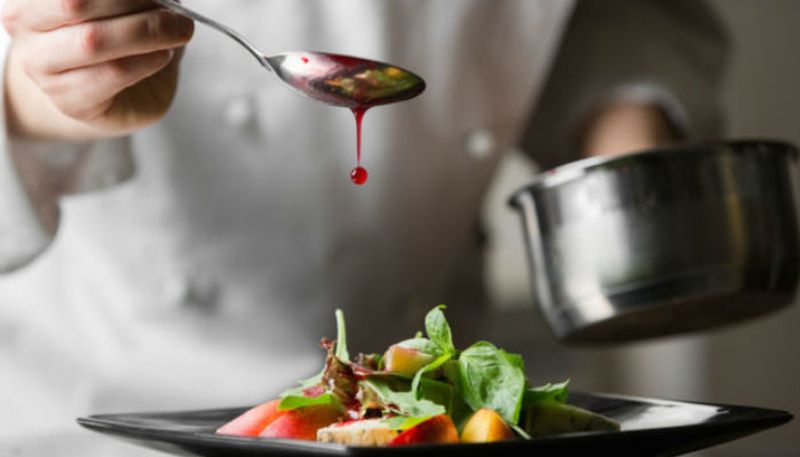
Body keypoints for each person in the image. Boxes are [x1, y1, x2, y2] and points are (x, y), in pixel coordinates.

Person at [0, 1, 727, 455]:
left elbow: (607, 16)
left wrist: (629, 134)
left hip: (432, 406)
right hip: (95, 408)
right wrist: (40, 93)